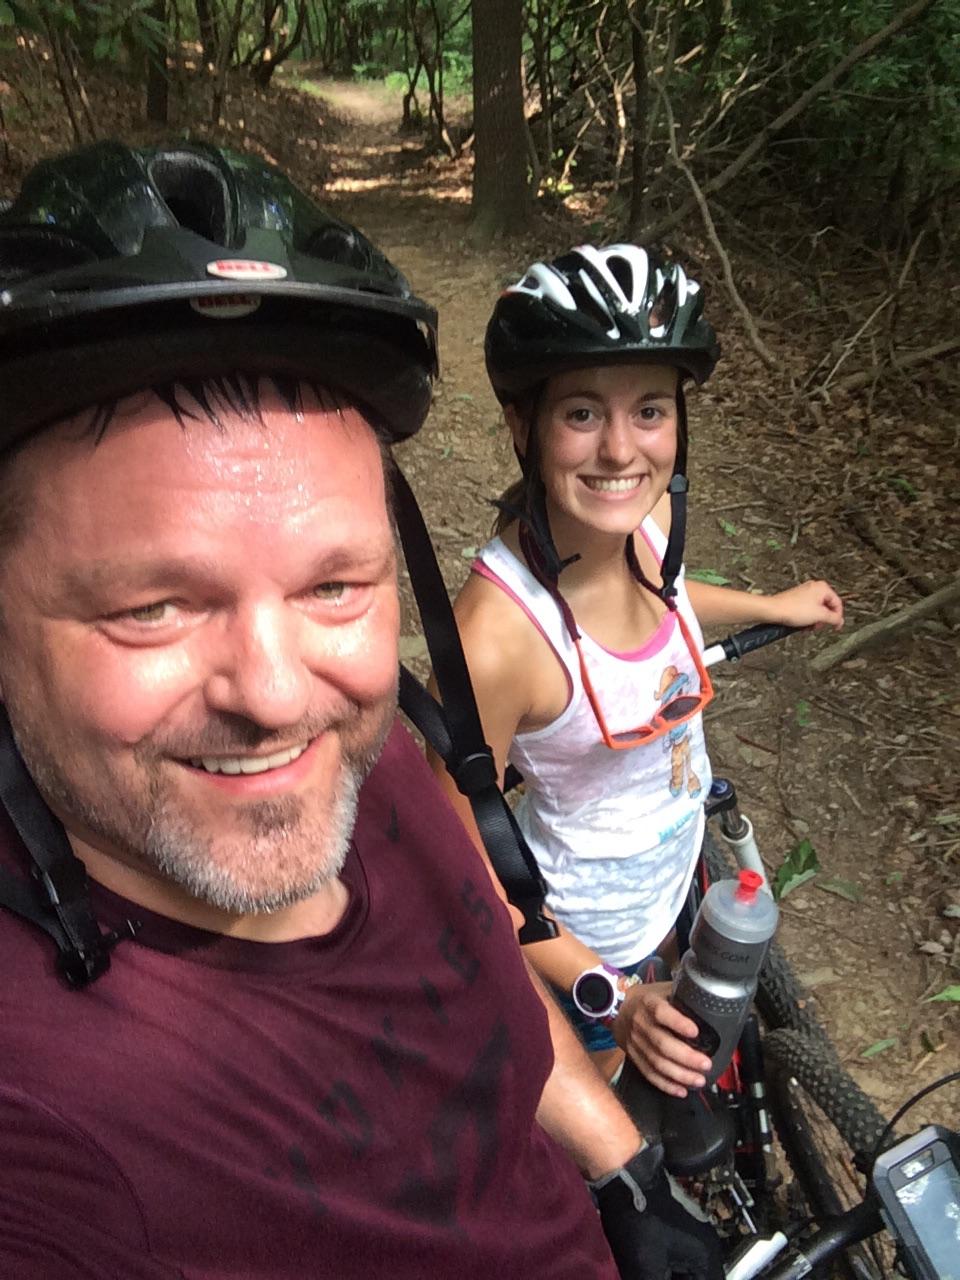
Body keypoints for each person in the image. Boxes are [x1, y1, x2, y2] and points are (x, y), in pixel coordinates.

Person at [0, 143, 722, 1280]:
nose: (280, 695)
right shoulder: (50, 1126)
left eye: (336, 585)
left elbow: (479, 963)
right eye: (153, 605)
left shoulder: (371, 746)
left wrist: (621, 1162)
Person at [432, 244, 844, 1095]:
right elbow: (459, 870)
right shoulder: (499, 640)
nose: (622, 451)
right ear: (523, 425)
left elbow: (673, 595)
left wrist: (771, 604)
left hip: (678, 883)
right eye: (582, 413)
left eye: (649, 410)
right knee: (630, 1154)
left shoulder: (642, 519)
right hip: (587, 950)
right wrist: (611, 1001)